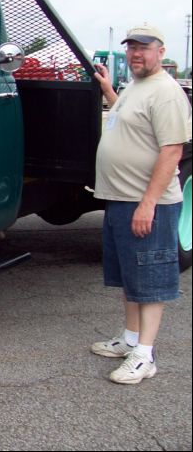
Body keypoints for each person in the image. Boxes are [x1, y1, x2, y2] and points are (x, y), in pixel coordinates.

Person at [91, 24, 192, 384]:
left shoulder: (166, 93)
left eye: (144, 47)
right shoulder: (135, 86)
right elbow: (129, 125)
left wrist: (148, 204)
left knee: (150, 279)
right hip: (122, 199)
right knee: (131, 277)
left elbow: (172, 151)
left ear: (161, 52)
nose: (137, 53)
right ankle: (129, 339)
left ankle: (145, 356)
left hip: (148, 203)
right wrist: (107, 90)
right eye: (132, 47)